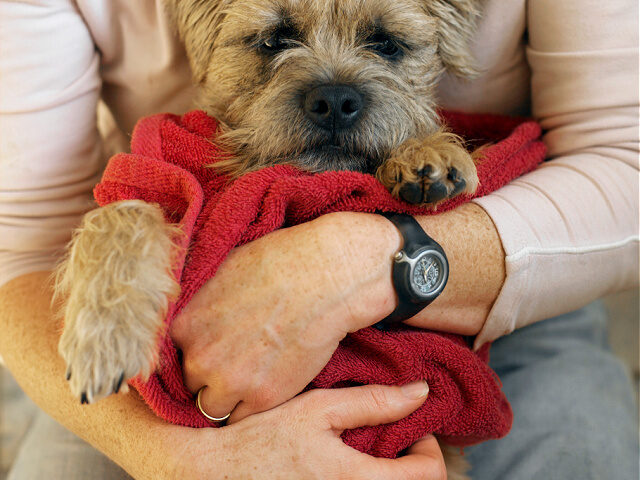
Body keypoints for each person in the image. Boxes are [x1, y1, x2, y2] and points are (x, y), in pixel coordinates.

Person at [0, 0, 637, 478]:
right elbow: (27, 243)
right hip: (140, 351)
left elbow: (625, 167)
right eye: (273, 39)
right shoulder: (178, 157)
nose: (334, 93)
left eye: (387, 44)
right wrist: (175, 457)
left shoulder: (426, 164)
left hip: (492, 282)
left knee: (581, 454)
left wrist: (360, 267)